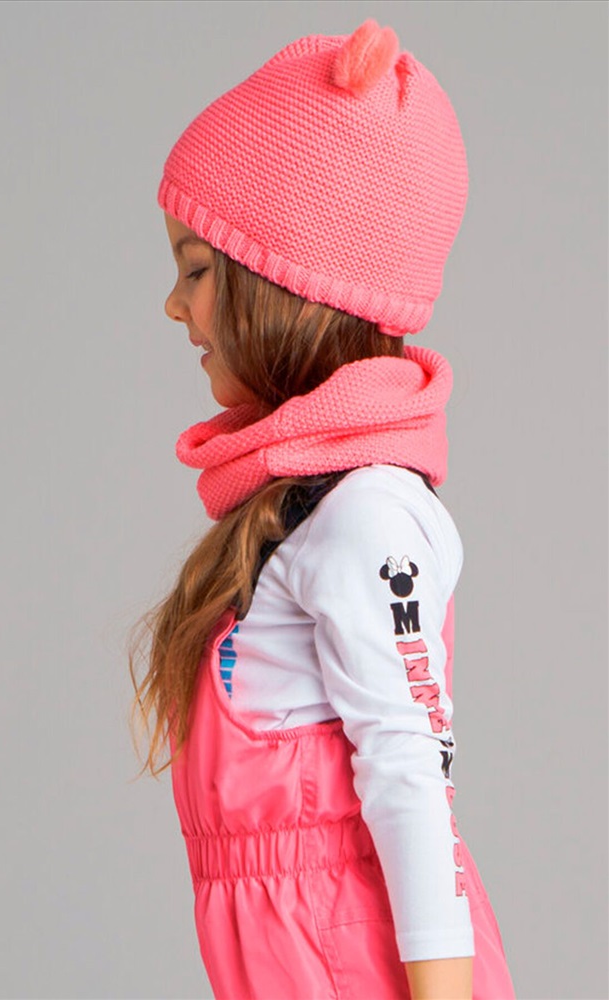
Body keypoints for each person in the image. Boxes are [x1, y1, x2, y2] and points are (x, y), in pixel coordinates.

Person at [129, 18, 516, 1000]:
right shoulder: (293, 510)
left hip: (350, 967)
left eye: (197, 269)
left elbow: (411, 780)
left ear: (286, 286)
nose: (175, 305)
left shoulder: (367, 513)